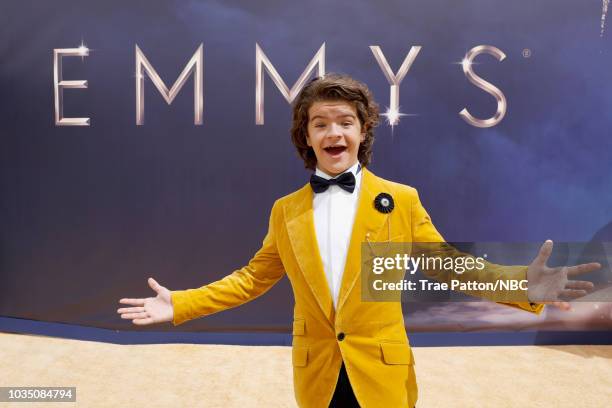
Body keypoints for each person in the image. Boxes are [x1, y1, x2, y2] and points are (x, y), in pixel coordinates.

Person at [117, 74, 598, 408]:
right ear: (306, 137)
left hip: (382, 371)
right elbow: (251, 280)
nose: (333, 132)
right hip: (318, 373)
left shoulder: (400, 200)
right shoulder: (286, 211)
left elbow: (448, 265)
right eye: (320, 123)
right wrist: (181, 305)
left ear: (363, 130)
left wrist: (523, 286)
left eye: (345, 121)